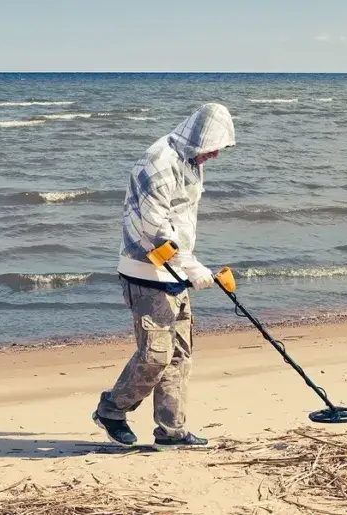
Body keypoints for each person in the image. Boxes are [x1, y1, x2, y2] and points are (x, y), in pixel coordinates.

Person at [92, 103, 236, 447]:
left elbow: (180, 219)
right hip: (146, 272)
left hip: (177, 269)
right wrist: (192, 267)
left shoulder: (190, 161)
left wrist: (189, 266)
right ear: (199, 137)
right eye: (213, 147)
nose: (215, 156)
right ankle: (111, 409)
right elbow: (154, 228)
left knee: (179, 355)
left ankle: (172, 430)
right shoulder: (157, 162)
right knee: (155, 355)